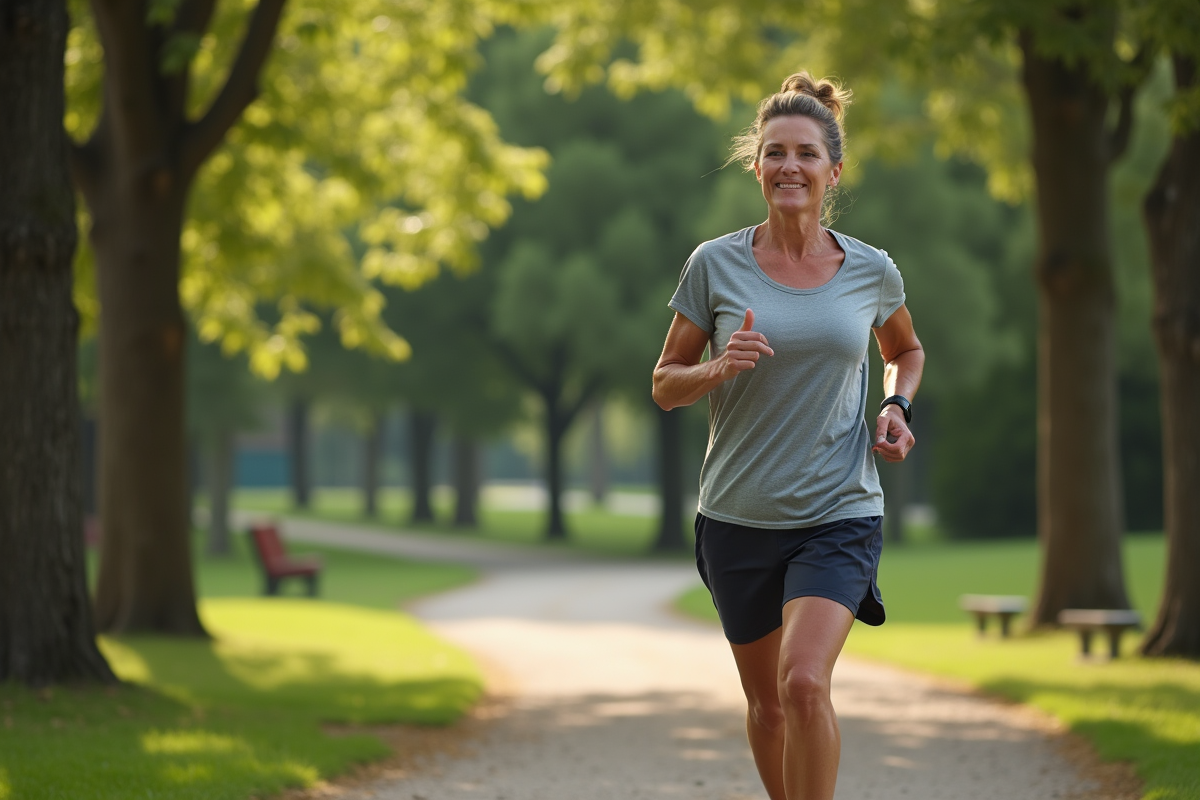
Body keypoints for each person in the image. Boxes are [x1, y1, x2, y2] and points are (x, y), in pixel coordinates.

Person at [652, 72, 924, 800]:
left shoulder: (870, 269)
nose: (789, 167)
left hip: (838, 513)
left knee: (804, 682)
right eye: (775, 153)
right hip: (738, 518)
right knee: (768, 706)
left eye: (806, 153)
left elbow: (906, 352)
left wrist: (898, 409)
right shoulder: (715, 265)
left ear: (833, 171)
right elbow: (663, 382)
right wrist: (716, 369)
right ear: (757, 167)